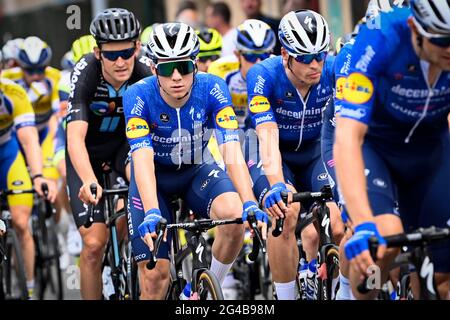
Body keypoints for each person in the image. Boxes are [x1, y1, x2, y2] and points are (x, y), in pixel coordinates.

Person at [123, 22, 267, 300]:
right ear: (153, 69)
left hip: (196, 170)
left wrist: (249, 201)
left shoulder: (213, 87)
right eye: (167, 68)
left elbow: (230, 147)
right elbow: (141, 158)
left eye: (185, 67)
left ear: (196, 64)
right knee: (155, 278)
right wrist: (152, 211)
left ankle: (201, 291)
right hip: (156, 179)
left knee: (235, 217)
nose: (176, 76)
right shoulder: (137, 95)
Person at [334, 0, 450, 300]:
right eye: (441, 39)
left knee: (443, 275)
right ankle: (366, 293)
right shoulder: (379, 37)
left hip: (430, 150)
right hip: (378, 148)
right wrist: (361, 224)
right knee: (383, 241)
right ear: (415, 29)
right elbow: (347, 136)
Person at [245, 9, 344, 300]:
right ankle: (286, 296)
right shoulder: (263, 75)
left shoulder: (333, 69)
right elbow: (267, 134)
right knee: (285, 214)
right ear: (286, 54)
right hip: (272, 152)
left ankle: (336, 287)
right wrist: (276, 183)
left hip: (315, 153)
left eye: (320, 55)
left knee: (339, 223)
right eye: (305, 58)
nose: (315, 64)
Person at [66, 8, 151, 300]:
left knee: (140, 179)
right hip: (87, 153)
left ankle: (126, 248)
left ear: (137, 48)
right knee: (93, 245)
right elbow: (74, 138)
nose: (120, 62)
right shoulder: (86, 72)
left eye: (127, 53)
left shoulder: (143, 73)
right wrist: (89, 181)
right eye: (111, 55)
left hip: (123, 149)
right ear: (97, 52)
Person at [0, 66, 56, 298]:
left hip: (7, 153)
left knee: (21, 223)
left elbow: (29, 138)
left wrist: (38, 175)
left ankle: (30, 289)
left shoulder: (14, 93)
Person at [209, 19, 276, 132]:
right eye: (251, 56)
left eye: (264, 55)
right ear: (237, 54)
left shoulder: (277, 68)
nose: (258, 62)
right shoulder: (220, 69)